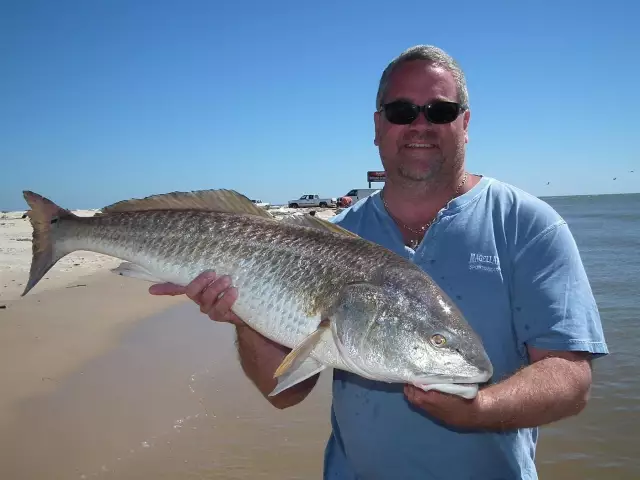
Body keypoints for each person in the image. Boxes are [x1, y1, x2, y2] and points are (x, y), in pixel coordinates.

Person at [149, 45, 609, 479]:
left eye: (440, 111)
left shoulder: (527, 225)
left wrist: (482, 410)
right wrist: (245, 315)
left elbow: (571, 376)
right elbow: (286, 393)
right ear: (377, 125)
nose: (420, 124)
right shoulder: (334, 234)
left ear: (465, 123)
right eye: (401, 111)